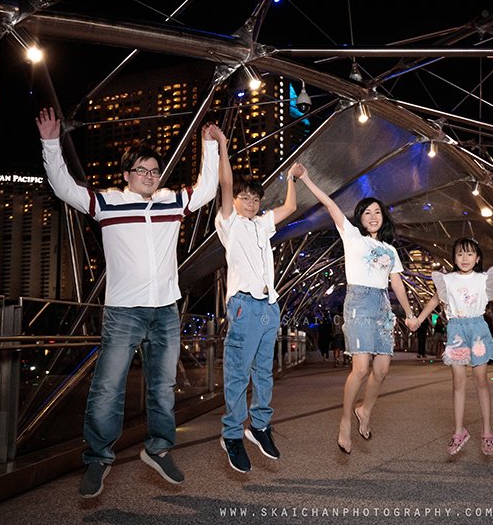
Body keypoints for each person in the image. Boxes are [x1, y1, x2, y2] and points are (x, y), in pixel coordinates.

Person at [36, 107, 224, 498]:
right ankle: (99, 457)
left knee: (162, 385)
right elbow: (64, 187)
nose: (150, 176)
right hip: (124, 311)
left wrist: (208, 145)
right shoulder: (108, 203)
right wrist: (51, 143)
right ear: (126, 175)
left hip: (166, 310)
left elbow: (206, 189)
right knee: (108, 386)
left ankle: (158, 448)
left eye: (155, 171)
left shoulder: (172, 201)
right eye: (142, 170)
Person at [296, 169, 415, 454]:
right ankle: (346, 420)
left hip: (383, 306)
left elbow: (397, 284)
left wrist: (409, 313)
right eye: (367, 213)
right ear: (359, 218)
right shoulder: (351, 236)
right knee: (360, 369)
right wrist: (307, 178)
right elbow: (330, 204)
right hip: (359, 302)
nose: (373, 217)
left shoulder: (390, 250)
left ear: (383, 217)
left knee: (382, 370)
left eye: (377, 212)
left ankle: (365, 410)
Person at [215, 145, 305, 473]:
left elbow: (291, 206)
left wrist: (293, 178)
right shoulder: (230, 222)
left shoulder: (262, 224)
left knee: (263, 371)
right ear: (235, 201)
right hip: (243, 304)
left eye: (255, 199)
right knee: (238, 371)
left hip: (269, 304)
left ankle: (260, 426)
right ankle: (232, 434)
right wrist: (223, 147)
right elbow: (226, 184)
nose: (251, 203)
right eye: (245, 198)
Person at [410, 238, 493, 455]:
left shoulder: (484, 278)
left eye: (470, 254)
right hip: (456, 331)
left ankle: (487, 431)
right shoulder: (448, 280)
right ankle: (459, 431)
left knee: (481, 381)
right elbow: (435, 300)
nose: (465, 259)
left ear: (478, 258)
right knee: (457, 382)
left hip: (478, 329)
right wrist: (419, 320)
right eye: (460, 254)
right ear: (454, 258)